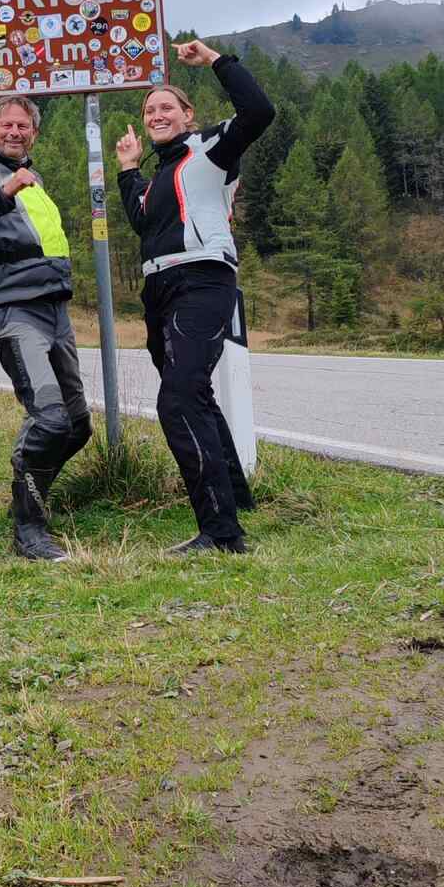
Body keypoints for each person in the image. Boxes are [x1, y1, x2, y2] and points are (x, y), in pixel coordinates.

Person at [114, 39, 276, 555]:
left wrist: (214, 61)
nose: (156, 113)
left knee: (179, 398)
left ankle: (221, 532)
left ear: (188, 114)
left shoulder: (212, 148)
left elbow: (259, 111)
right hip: (158, 288)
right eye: (149, 109)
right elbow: (142, 221)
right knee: (195, 395)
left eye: (167, 106)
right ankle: (237, 501)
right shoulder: (159, 173)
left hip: (203, 279)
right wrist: (127, 169)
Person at [0, 96, 92, 561]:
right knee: (48, 417)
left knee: (77, 425)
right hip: (10, 304)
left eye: (23, 125)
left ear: (35, 133)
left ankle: (28, 492)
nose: (15, 132)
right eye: (6, 125)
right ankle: (30, 529)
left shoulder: (36, 177)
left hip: (52, 305)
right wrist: (4, 193)